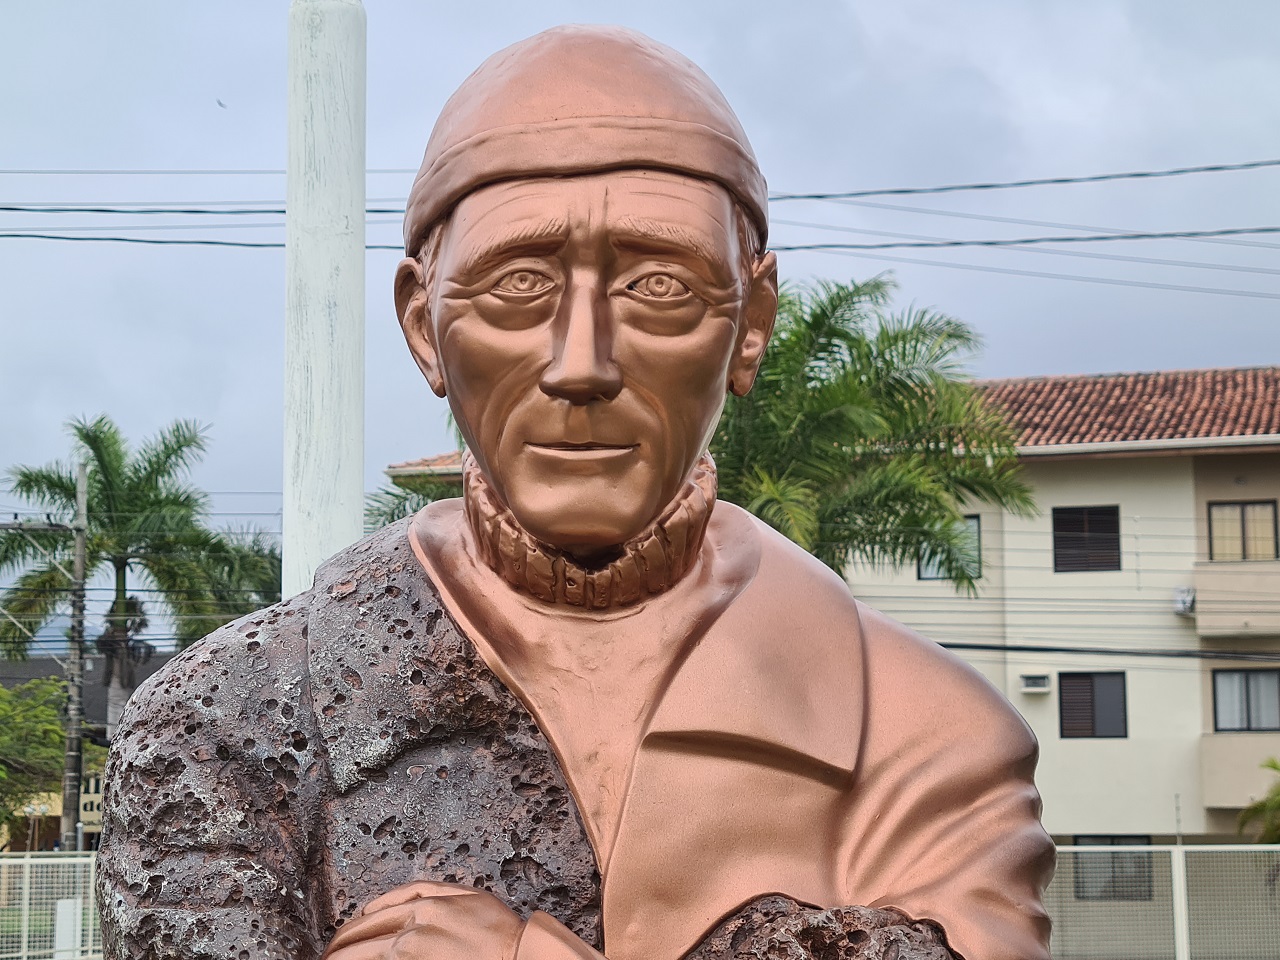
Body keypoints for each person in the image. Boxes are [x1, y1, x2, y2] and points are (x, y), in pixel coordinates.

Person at [97, 25, 1053, 960]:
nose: (581, 363)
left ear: (751, 324)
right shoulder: (225, 724)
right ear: (423, 327)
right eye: (516, 285)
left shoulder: (927, 740)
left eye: (659, 286)